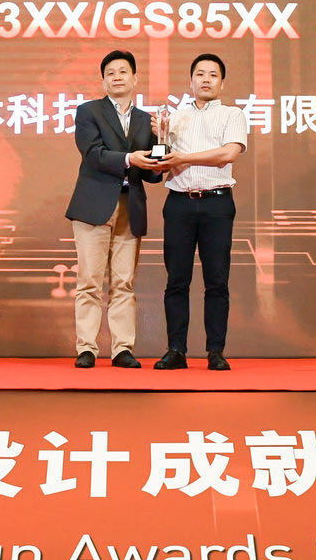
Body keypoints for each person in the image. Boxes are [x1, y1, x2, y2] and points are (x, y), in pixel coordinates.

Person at [65, 49, 165, 367]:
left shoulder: (145, 120)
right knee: (90, 281)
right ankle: (87, 348)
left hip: (130, 206)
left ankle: (123, 348)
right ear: (103, 80)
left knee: (124, 282)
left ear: (135, 78)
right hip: (93, 206)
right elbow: (92, 154)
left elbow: (153, 173)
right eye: (111, 73)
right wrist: (129, 158)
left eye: (123, 72)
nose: (117, 77)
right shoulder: (89, 111)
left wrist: (162, 139)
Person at [153, 53, 248, 371]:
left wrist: (183, 158)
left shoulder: (233, 114)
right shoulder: (174, 118)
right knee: (176, 280)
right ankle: (176, 350)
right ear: (191, 80)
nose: (206, 79)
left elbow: (227, 154)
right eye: (200, 74)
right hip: (179, 203)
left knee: (217, 280)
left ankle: (215, 351)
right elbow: (163, 160)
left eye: (213, 74)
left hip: (216, 204)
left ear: (222, 82)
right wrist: (160, 139)